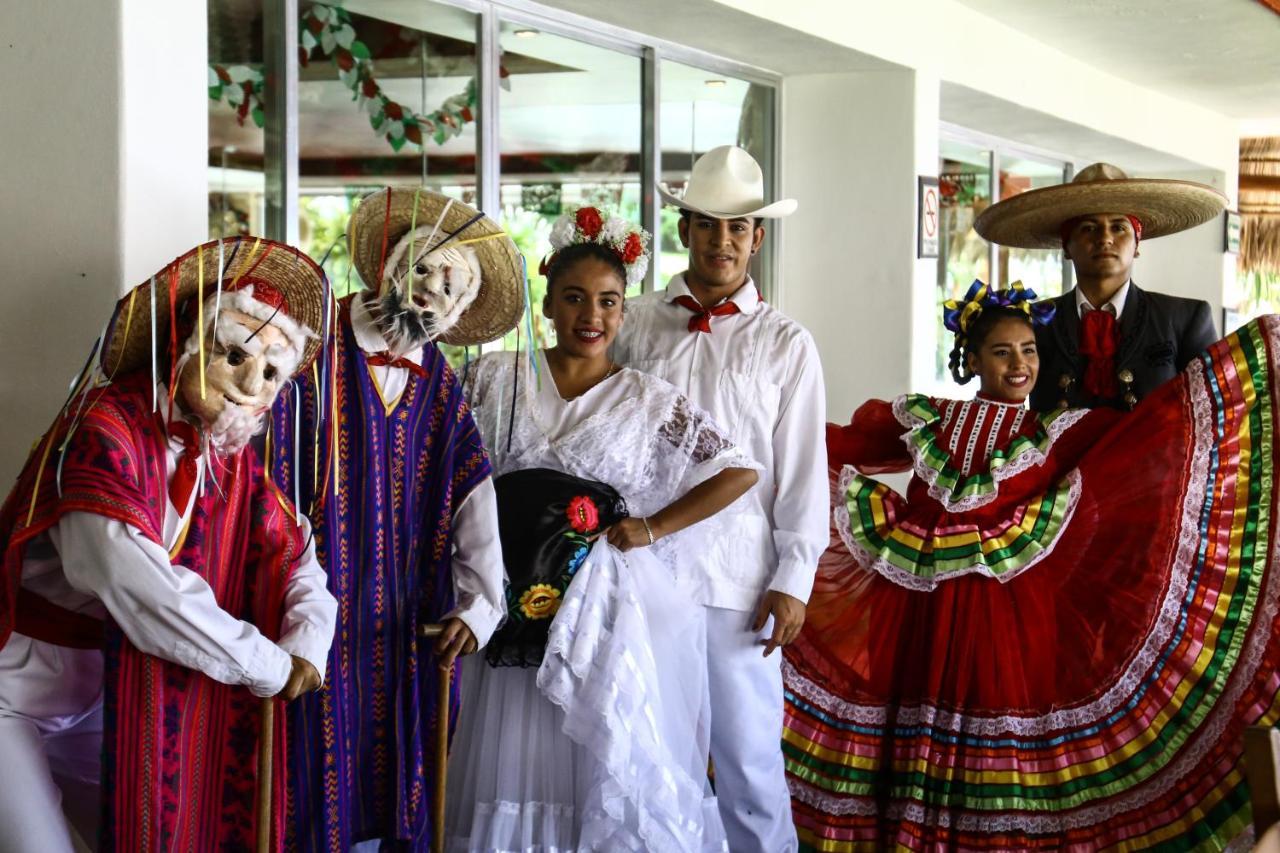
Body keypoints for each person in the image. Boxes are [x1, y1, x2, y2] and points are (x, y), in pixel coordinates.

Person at [782, 279, 1280, 850]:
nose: (1019, 364)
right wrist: (762, 436)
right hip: (923, 612)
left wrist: (1250, 363)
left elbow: (1154, 432)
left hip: (1012, 620)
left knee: (1007, 735)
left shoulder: (1056, 430)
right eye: (1002, 351)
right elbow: (832, 444)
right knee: (917, 723)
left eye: (1030, 351)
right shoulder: (927, 418)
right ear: (971, 360)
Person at [0, 237, 338, 852]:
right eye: (232, 355)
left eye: (269, 372)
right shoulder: (104, 429)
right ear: (182, 344)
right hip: (11, 690)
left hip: (106, 688)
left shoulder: (223, 454)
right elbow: (139, 586)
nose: (248, 383)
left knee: (156, 834)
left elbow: (294, 548)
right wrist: (265, 664)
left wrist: (310, 640)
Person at [445, 209, 759, 851]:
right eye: (575, 298)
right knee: (507, 741)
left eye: (609, 301)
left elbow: (737, 470)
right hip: (503, 590)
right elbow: (436, 458)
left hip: (600, 602)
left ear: (624, 312)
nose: (592, 314)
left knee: (594, 747)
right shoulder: (492, 377)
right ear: (550, 305)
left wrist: (652, 527)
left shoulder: (648, 399)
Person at [271, 188, 518, 852]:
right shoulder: (306, 353)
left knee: (404, 788)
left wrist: (480, 606)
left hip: (409, 627)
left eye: (452, 286)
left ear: (461, 311)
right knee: (304, 794)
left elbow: (474, 496)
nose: (432, 291)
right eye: (423, 269)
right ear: (386, 266)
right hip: (307, 612)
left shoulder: (441, 383)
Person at [611, 144, 828, 851]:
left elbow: (801, 472)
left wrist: (794, 579)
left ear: (758, 238)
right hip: (643, 576)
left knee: (749, 764)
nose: (722, 241)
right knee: (649, 757)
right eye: (708, 224)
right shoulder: (634, 321)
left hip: (740, 584)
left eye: (738, 228)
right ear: (685, 230)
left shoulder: (785, 343)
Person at [974, 161, 1226, 411]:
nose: (1105, 238)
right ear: (1066, 247)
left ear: (1137, 245)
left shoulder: (1185, 318)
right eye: (1089, 228)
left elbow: (1212, 413)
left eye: (1118, 227)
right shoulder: (1036, 320)